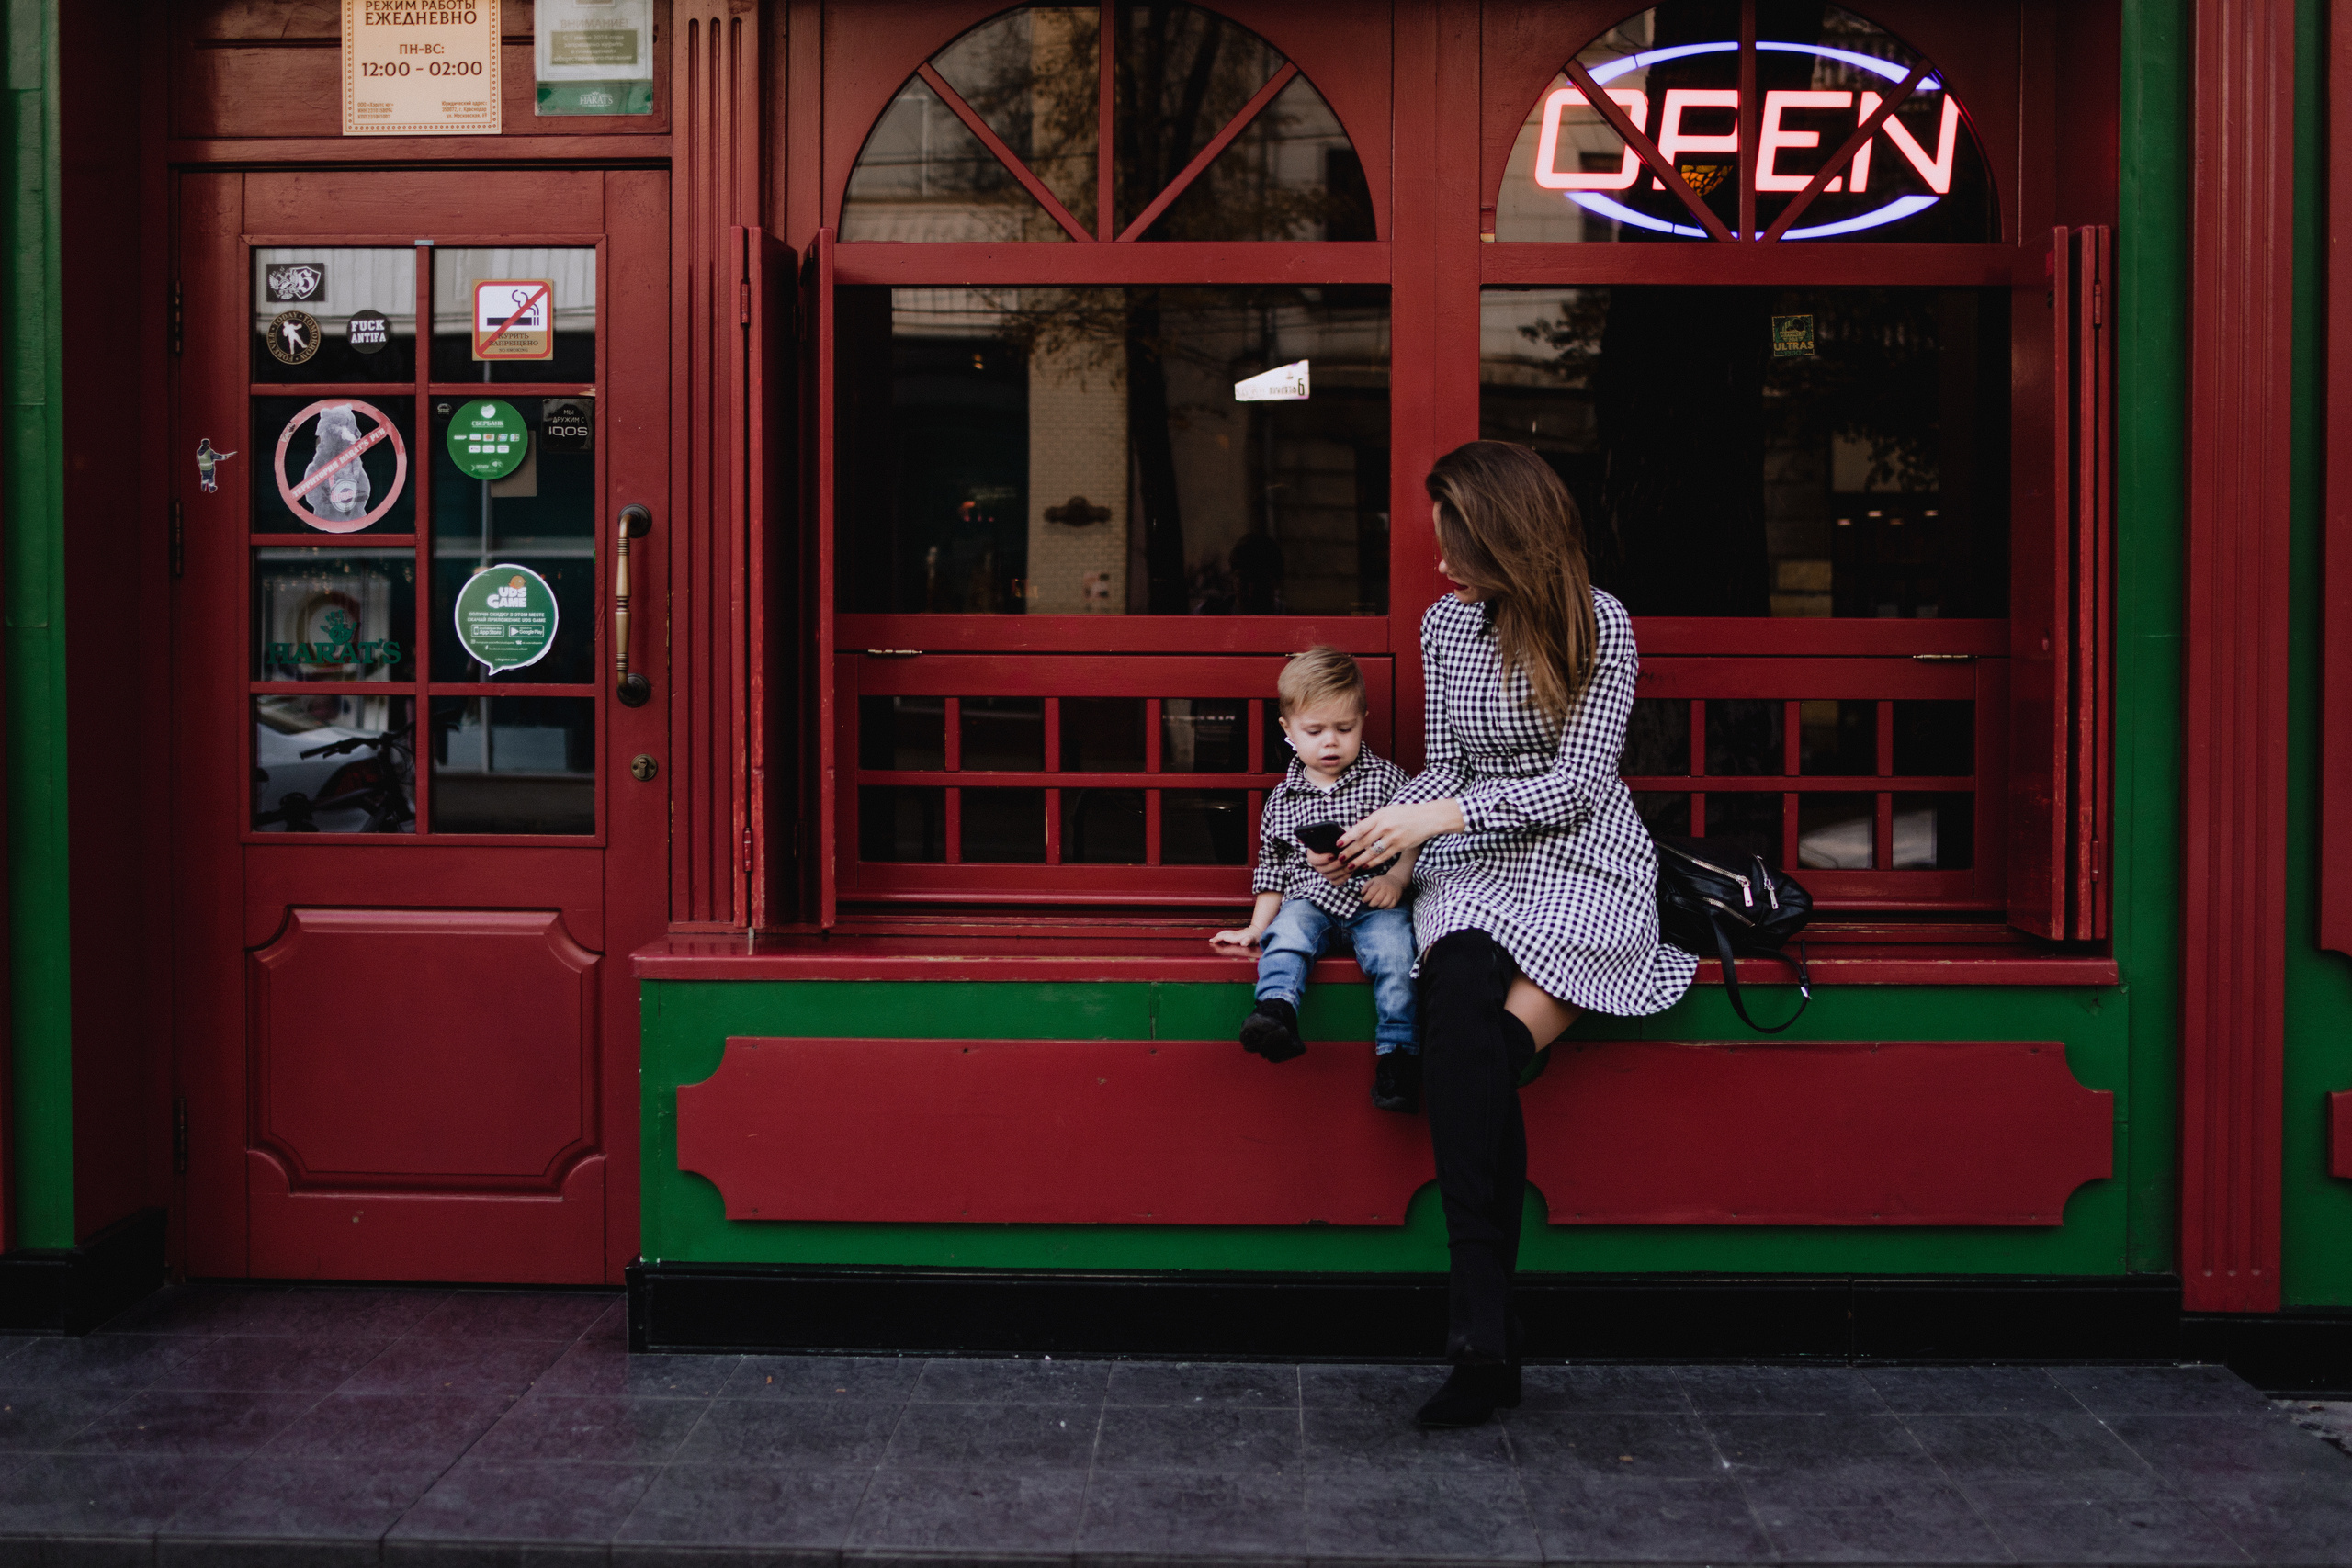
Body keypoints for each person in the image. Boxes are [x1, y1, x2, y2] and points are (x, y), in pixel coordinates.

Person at [1334, 442, 1697, 1428]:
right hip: (1476, 865)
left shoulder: (1598, 623)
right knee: (1455, 1004)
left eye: (1456, 543)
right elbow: (1445, 765)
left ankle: (1479, 1339)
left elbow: (1578, 783)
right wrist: (1386, 843)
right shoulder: (1447, 625)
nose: (1442, 564)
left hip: (1583, 860)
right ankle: (1485, 1331)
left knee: (1469, 1061)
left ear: (1506, 535)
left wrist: (1434, 823)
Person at [1211, 647, 1423, 1113]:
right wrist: (1254, 927)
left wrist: (1399, 880)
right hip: (1311, 901)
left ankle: (1399, 1055)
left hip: (1375, 904)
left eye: (1344, 729)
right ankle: (1275, 1012)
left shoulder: (1389, 781)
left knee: (1397, 958)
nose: (1331, 742)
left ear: (1363, 720)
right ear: (1288, 731)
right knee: (1284, 935)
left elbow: (1415, 837)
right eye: (1315, 731)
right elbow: (1272, 870)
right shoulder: (1283, 800)